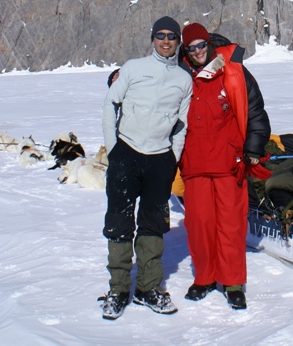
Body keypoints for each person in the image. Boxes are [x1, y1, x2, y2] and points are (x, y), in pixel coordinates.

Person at [100, 17, 192, 320]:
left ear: (178, 41)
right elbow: (110, 104)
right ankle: (119, 289)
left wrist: (172, 157)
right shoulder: (133, 68)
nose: (166, 42)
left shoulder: (183, 79)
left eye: (171, 37)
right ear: (153, 38)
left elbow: (182, 123)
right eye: (160, 36)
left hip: (159, 159)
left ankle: (148, 288)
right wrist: (114, 150)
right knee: (120, 222)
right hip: (126, 152)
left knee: (154, 224)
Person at [177, 23, 270, 310]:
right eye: (191, 48)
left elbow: (255, 109)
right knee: (199, 224)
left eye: (201, 45)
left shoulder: (233, 71)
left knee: (231, 223)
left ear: (209, 43)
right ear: (186, 51)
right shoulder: (178, 77)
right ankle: (205, 277)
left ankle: (232, 282)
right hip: (194, 164)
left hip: (230, 163)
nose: (198, 51)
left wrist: (253, 147)